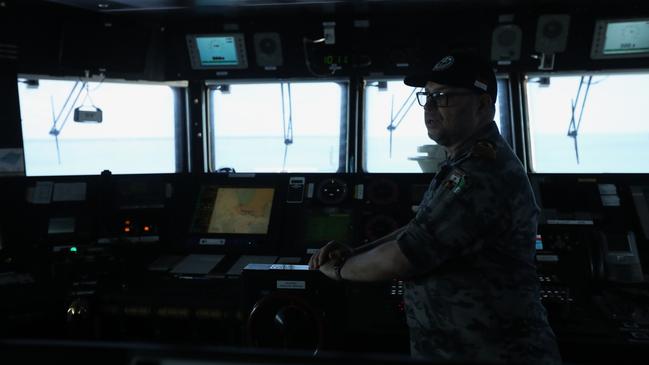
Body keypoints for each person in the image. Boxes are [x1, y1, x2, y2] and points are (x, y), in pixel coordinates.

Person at [309, 53, 562, 364]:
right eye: (427, 96)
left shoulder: (479, 174)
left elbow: (409, 255)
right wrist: (356, 252)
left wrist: (337, 271)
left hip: (491, 350)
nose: (429, 107)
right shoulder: (462, 162)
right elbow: (420, 229)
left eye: (443, 97)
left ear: (483, 105)